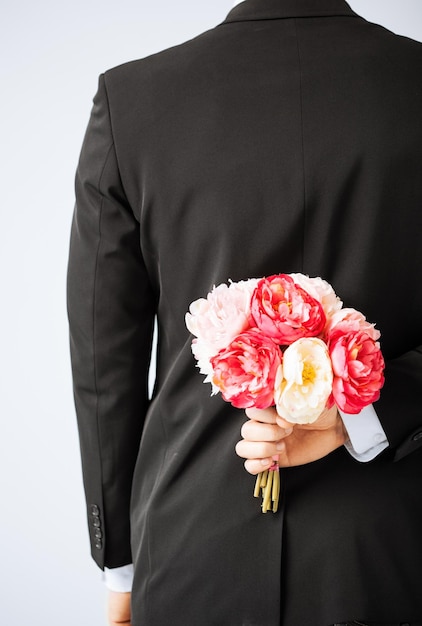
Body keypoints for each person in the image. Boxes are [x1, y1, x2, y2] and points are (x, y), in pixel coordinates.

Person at [66, 0, 422, 624]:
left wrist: (119, 567)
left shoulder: (134, 101)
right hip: (391, 556)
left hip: (190, 551)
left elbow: (104, 365)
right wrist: (367, 418)